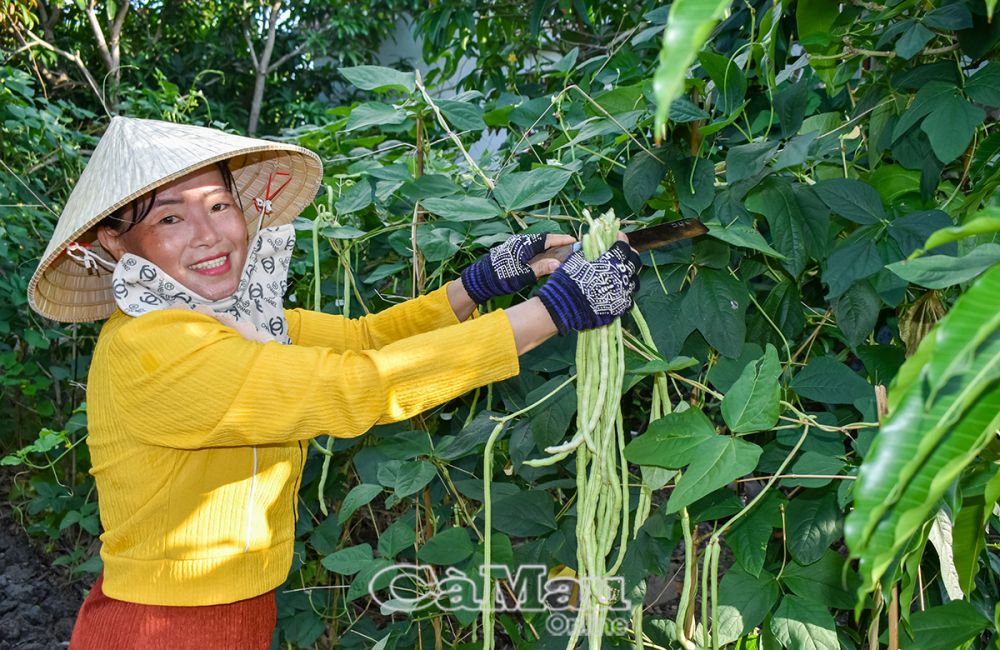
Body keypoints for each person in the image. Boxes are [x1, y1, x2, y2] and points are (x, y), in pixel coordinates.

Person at [28, 116, 641, 649]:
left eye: (219, 206)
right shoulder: (155, 348)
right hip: (162, 629)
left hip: (226, 613)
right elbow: (353, 387)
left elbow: (365, 340)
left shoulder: (239, 322)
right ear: (113, 240)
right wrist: (548, 314)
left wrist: (478, 286)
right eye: (170, 217)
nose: (211, 235)